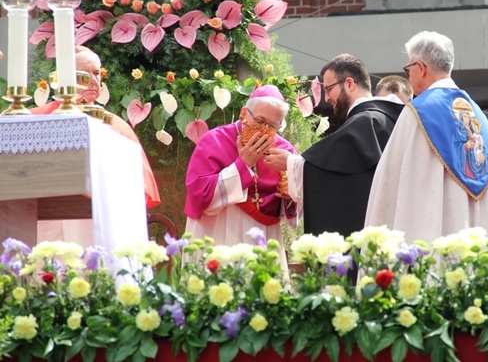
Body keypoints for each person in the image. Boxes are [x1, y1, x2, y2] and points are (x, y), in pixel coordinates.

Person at [365, 31, 488, 248]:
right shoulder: (477, 113)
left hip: (436, 242)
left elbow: (390, 183)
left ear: (421, 68)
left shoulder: (417, 112)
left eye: (408, 69)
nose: (408, 77)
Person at [264, 54, 404, 239]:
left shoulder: (366, 122)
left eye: (329, 89)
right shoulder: (388, 119)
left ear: (349, 83)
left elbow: (334, 175)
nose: (327, 98)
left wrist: (290, 162)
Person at [34, 47, 161, 245]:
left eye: (97, 73)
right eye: (84, 74)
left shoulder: (116, 126)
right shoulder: (35, 121)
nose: (94, 80)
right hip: (48, 223)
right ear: (63, 79)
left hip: (102, 224)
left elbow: (138, 189)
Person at [184, 85, 299, 273]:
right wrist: (243, 164)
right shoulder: (214, 140)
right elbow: (199, 193)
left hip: (263, 238)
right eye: (260, 121)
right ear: (244, 113)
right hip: (218, 233)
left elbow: (296, 201)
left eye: (272, 126)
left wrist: (290, 194)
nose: (264, 130)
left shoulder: (284, 151)